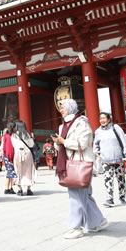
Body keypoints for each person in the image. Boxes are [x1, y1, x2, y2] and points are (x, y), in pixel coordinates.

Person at [53, 99, 107, 239]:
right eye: (60, 107)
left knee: (76, 196)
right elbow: (61, 147)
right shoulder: (62, 125)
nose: (61, 110)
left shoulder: (81, 122)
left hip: (79, 163)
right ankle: (98, 222)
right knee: (84, 195)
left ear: (71, 107)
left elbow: (83, 144)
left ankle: (76, 227)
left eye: (63, 107)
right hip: (69, 162)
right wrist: (57, 143)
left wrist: (63, 142)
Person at [93, 112, 126, 206]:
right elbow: (96, 144)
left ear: (109, 119)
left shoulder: (116, 128)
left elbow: (123, 140)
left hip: (118, 158)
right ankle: (109, 199)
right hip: (106, 159)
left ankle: (122, 197)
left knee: (121, 179)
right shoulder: (98, 131)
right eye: (100, 118)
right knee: (108, 179)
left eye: (104, 118)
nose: (102, 120)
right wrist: (96, 152)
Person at [12, 121, 37, 196]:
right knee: (28, 170)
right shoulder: (28, 135)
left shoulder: (14, 135)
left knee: (18, 171)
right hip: (27, 153)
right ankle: (29, 189)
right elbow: (31, 145)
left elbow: (13, 145)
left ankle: (20, 189)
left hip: (18, 154)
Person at [1, 124, 17, 194]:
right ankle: (7, 188)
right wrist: (10, 159)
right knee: (10, 172)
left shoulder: (5, 136)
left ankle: (9, 187)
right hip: (9, 156)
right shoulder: (10, 136)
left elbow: (5, 148)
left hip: (6, 155)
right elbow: (9, 149)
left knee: (9, 172)